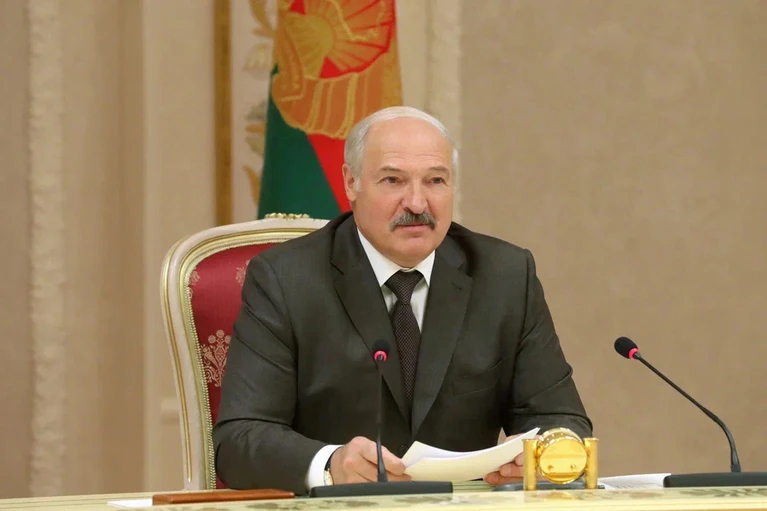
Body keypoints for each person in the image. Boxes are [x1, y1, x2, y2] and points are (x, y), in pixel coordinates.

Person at [213, 106, 592, 494]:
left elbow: (563, 421)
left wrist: (542, 456)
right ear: (351, 183)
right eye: (393, 180)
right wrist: (331, 464)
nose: (416, 203)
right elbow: (239, 440)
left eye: (435, 180)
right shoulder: (286, 279)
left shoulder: (504, 276)